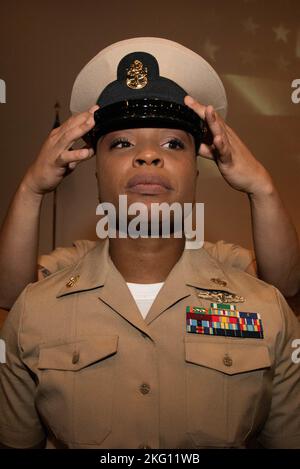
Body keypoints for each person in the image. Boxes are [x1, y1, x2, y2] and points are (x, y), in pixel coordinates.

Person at [0, 37, 299, 449]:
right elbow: (13, 303)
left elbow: (285, 289)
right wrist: (32, 188)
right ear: (92, 169)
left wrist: (261, 186)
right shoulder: (44, 299)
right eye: (122, 143)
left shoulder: (258, 301)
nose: (147, 157)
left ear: (198, 169)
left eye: (172, 143)